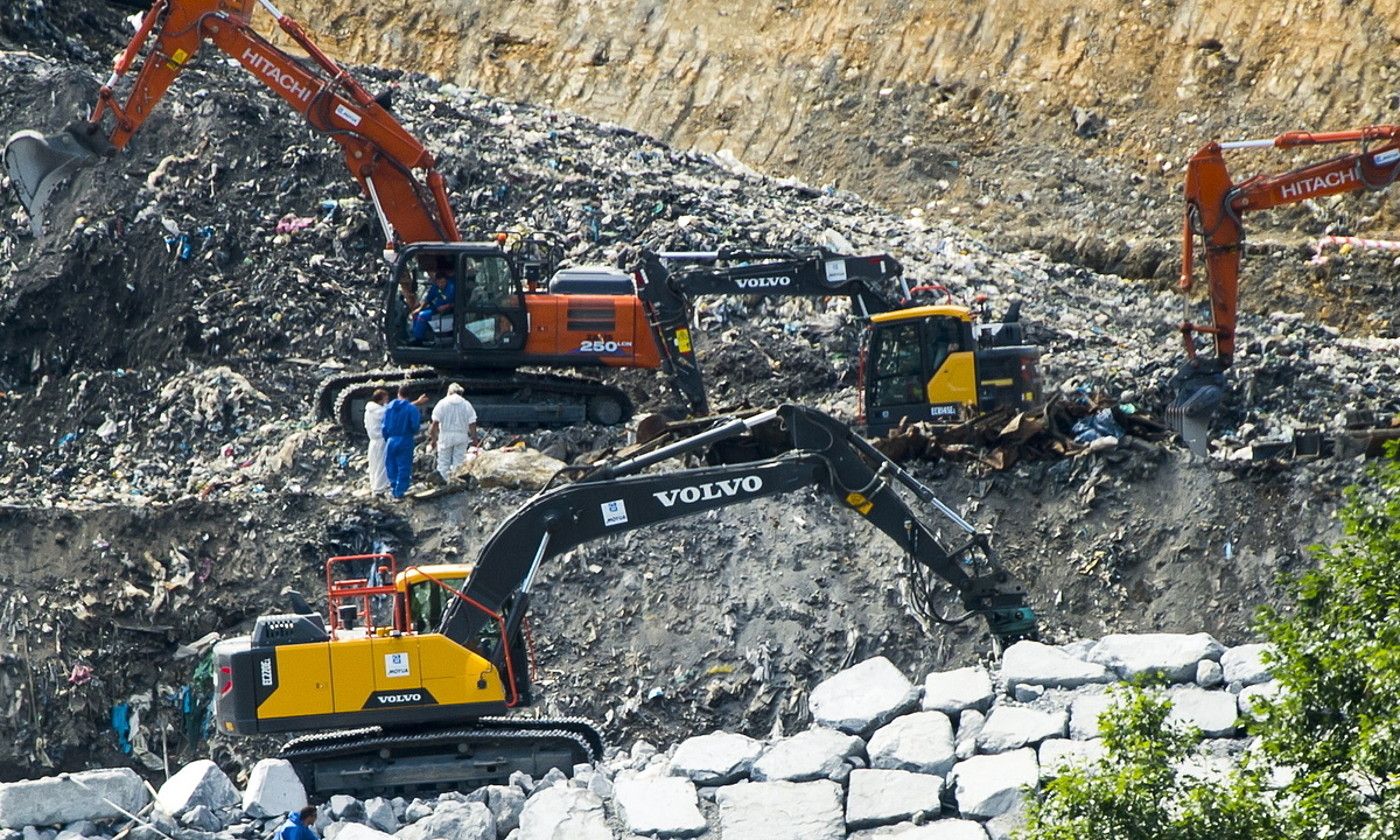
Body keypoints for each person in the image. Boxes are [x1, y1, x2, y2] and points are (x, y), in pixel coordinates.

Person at [381, 385, 424, 499]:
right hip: (405, 439)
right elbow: (415, 426)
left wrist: (387, 438)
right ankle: (400, 492)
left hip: (391, 439)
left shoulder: (389, 408)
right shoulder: (411, 408)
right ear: (409, 395)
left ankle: (393, 487)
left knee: (391, 464)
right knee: (404, 465)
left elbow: (384, 426)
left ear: (398, 394)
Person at [429, 383, 478, 482]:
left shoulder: (442, 403)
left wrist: (433, 439)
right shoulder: (466, 404)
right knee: (459, 462)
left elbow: (434, 424)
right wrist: (474, 439)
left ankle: (443, 483)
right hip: (461, 436)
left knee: (443, 462)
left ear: (449, 392)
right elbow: (472, 423)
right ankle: (457, 482)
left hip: (445, 436)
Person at [410, 268, 455, 343]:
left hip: (448, 312)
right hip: (436, 310)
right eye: (439, 282)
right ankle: (416, 336)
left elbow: (458, 302)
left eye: (443, 282)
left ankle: (418, 339)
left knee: (422, 316)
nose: (441, 284)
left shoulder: (452, 287)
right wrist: (419, 309)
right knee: (416, 314)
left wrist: (447, 306)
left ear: (446, 280)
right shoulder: (435, 287)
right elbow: (428, 299)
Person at [362, 389, 390, 496]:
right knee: (382, 465)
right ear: (381, 398)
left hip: (372, 440)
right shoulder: (379, 411)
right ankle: (379, 489)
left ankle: (374, 486)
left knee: (374, 464)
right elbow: (393, 412)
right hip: (380, 440)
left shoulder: (368, 411)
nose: (387, 400)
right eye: (386, 398)